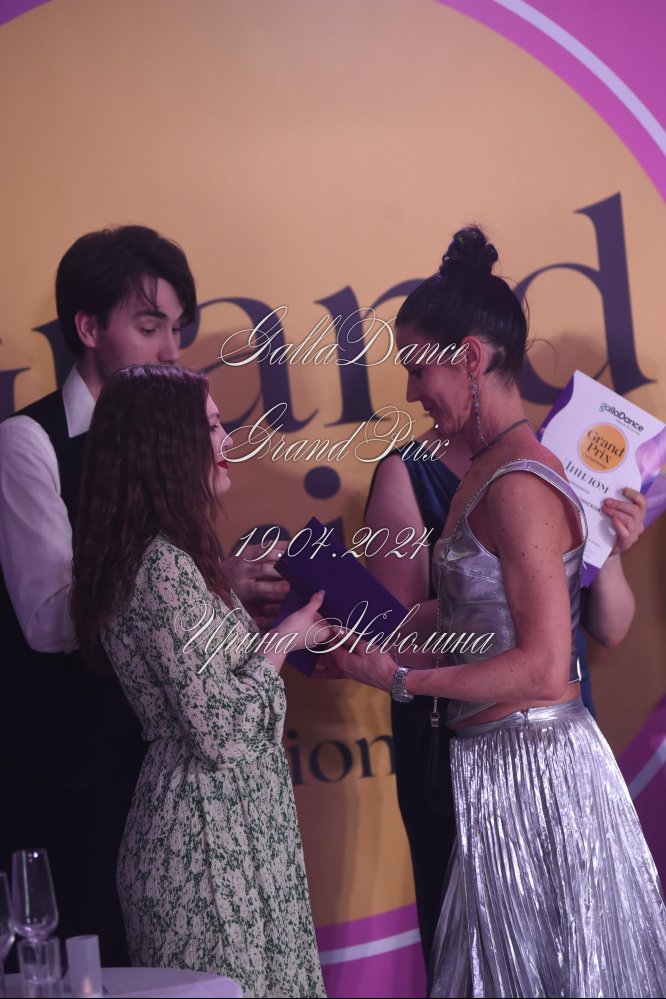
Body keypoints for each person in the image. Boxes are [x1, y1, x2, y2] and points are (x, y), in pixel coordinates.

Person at [331, 226, 666, 997]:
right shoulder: (492, 471)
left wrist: (402, 679)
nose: (412, 392)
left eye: (419, 369)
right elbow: (469, 614)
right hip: (492, 769)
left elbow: (546, 666)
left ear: (472, 357)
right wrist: (354, 632)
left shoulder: (516, 483)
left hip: (531, 776)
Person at [0, 225, 286, 963]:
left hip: (170, 767)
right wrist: (188, 590)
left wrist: (213, 598)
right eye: (150, 326)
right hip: (75, 775)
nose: (170, 350)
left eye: (178, 329)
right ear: (87, 327)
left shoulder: (173, 435)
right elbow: (49, 620)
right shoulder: (29, 441)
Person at [71, 364, 326, 999]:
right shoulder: (162, 566)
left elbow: (217, 690)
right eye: (212, 426)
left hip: (235, 826)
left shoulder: (180, 556)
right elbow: (220, 730)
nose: (226, 440)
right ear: (167, 443)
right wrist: (285, 640)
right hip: (203, 846)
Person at [364, 430, 646, 965]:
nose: (414, 393)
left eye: (422, 379)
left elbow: (611, 626)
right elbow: (397, 638)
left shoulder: (546, 461)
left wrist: (606, 548)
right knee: (476, 952)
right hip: (458, 750)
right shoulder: (410, 471)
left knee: (579, 944)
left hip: (560, 747)